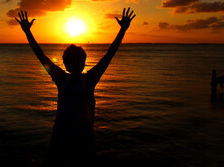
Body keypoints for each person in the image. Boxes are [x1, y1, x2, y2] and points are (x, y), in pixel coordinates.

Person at [15, 8, 136, 166]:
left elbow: (40, 55)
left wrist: (27, 32)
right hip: (81, 139)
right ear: (84, 62)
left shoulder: (62, 79)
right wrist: (122, 30)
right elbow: (109, 54)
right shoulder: (88, 79)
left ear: (64, 63)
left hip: (65, 138)